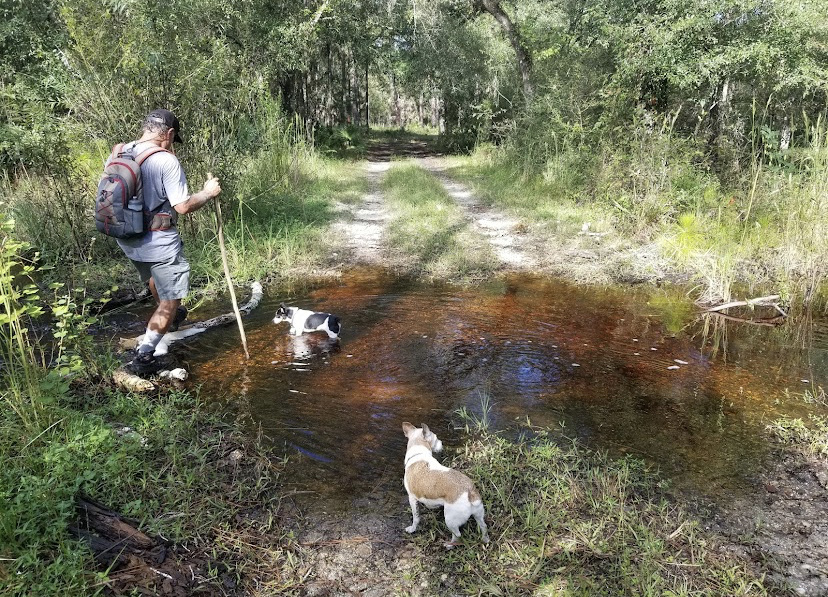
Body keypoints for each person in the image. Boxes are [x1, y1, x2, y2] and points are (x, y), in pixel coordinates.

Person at [109, 108, 222, 374]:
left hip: (127, 238)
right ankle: (145, 356)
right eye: (173, 137)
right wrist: (207, 193)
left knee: (152, 276)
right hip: (158, 242)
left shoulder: (119, 152)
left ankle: (171, 320)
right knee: (171, 299)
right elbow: (182, 206)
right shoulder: (166, 161)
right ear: (169, 133)